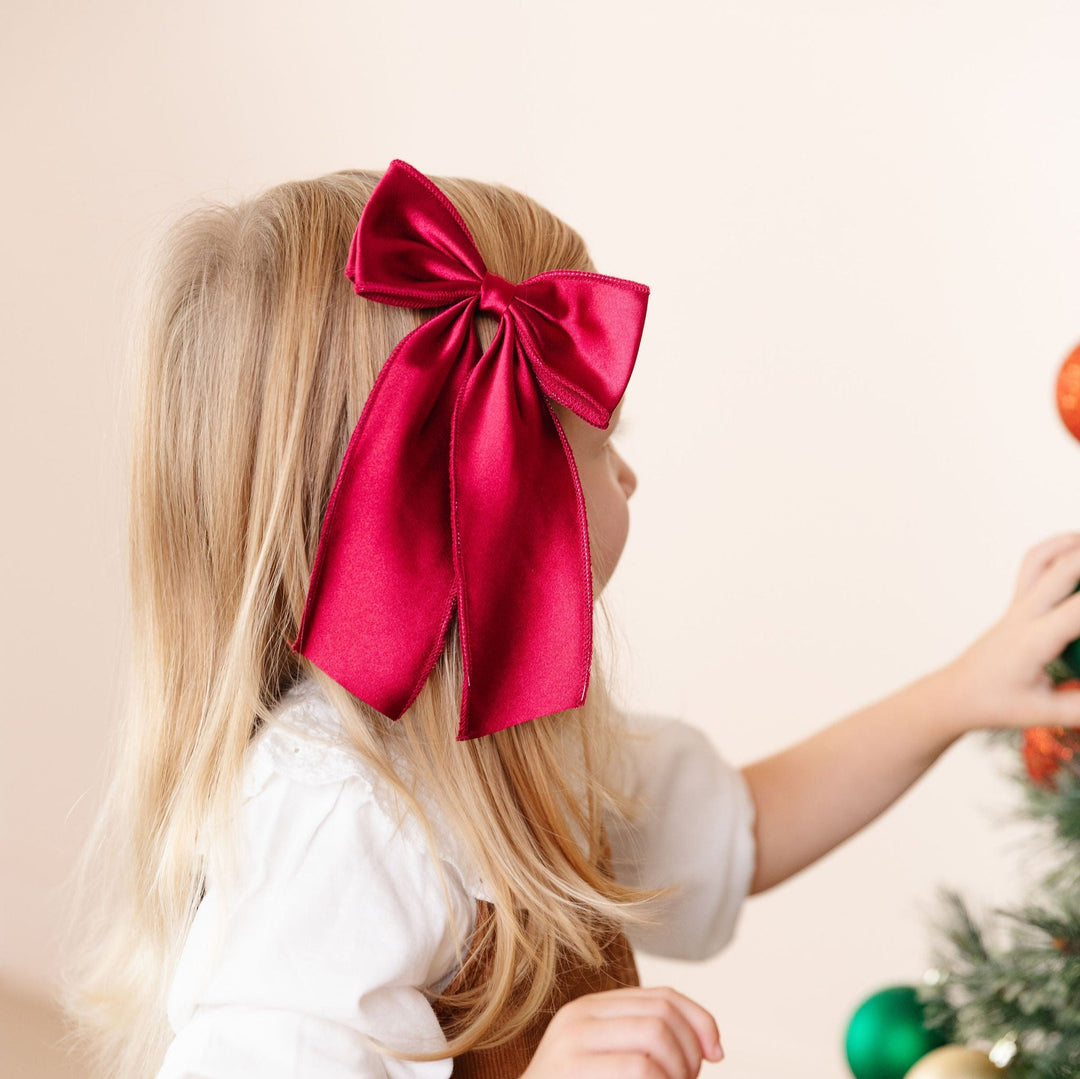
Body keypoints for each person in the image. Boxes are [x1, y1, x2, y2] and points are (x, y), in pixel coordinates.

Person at [63, 159, 1080, 1079]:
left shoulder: (499, 734)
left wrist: (960, 691)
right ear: (480, 489)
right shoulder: (336, 812)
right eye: (598, 433)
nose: (629, 468)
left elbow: (745, 824)